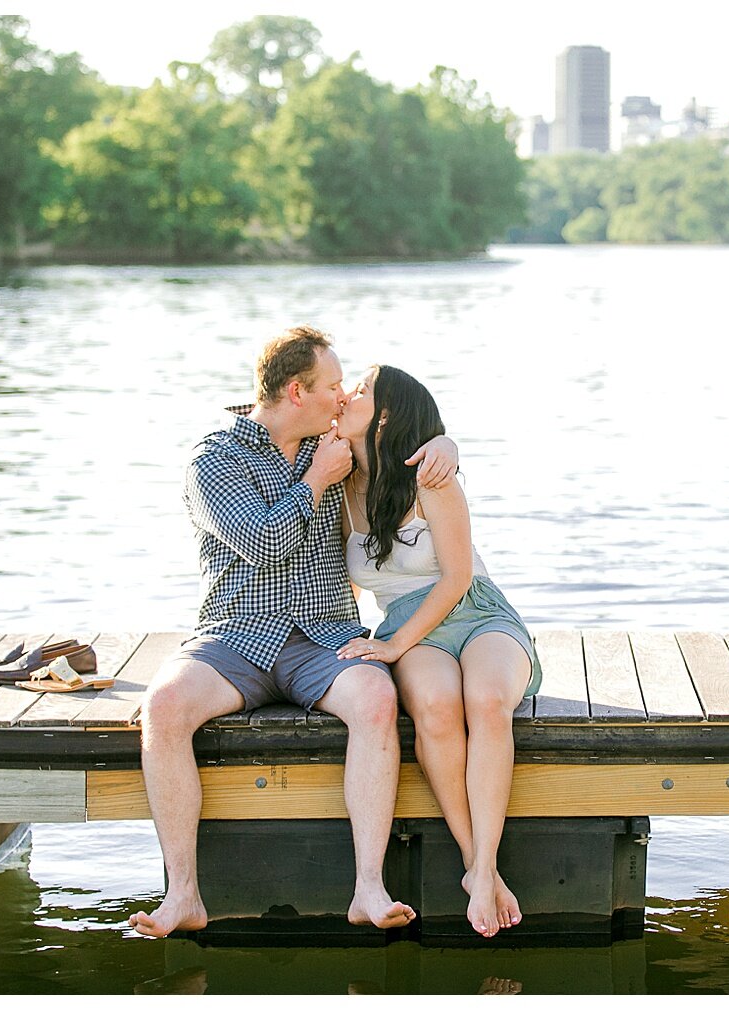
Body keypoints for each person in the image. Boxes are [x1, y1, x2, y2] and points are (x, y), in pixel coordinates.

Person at [128, 327, 457, 939]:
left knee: (377, 698)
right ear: (297, 390)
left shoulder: (335, 442)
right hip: (236, 634)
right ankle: (183, 895)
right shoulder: (214, 458)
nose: (342, 397)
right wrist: (314, 485)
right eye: (333, 386)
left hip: (325, 635)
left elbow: (405, 432)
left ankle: (367, 887)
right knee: (164, 706)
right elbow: (260, 544)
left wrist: (446, 443)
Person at [334, 365, 542, 939]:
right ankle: (479, 865)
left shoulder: (432, 476)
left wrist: (393, 645)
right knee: (436, 707)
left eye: (359, 389)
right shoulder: (334, 480)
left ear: (385, 415)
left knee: (487, 700)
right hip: (407, 623)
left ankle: (482, 866)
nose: (344, 393)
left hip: (477, 610)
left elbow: (454, 577)